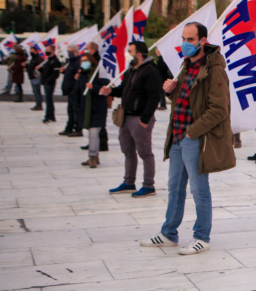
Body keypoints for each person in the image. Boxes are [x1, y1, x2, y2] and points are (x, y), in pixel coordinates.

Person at [140, 22, 235, 255]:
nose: (185, 43)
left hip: (195, 138)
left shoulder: (214, 70)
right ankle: (169, 233)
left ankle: (202, 237)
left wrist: (193, 131)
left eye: (190, 39)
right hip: (177, 137)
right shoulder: (186, 66)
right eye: (184, 38)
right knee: (174, 187)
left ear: (202, 41)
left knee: (199, 189)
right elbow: (184, 101)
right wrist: (171, 90)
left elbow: (220, 109)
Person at [101, 41, 163, 197]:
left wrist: (145, 119)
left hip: (139, 118)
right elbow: (123, 90)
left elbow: (154, 97)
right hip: (126, 117)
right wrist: (111, 91)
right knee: (128, 151)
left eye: (130, 51)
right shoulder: (130, 70)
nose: (127, 54)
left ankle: (148, 185)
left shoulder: (151, 72)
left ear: (139, 54)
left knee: (145, 152)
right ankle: (129, 182)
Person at [81, 52, 108, 168]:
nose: (83, 63)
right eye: (82, 61)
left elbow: (106, 88)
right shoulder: (83, 74)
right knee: (91, 133)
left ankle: (92, 156)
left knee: (94, 134)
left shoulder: (99, 73)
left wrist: (94, 88)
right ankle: (94, 156)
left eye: (86, 60)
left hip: (97, 108)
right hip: (87, 109)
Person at [59, 45, 83, 136]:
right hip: (70, 91)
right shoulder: (70, 62)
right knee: (70, 111)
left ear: (76, 52)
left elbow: (77, 77)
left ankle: (78, 129)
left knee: (76, 110)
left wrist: (74, 89)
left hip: (74, 91)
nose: (69, 53)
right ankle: (69, 128)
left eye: (71, 51)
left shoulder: (77, 62)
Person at [39, 45, 62, 123]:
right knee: (48, 100)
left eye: (48, 49)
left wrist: (47, 80)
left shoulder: (55, 61)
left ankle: (48, 116)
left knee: (49, 100)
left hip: (50, 83)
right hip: (46, 82)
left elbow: (56, 74)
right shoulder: (48, 60)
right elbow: (46, 71)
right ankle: (50, 116)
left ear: (52, 50)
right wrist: (40, 70)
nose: (46, 51)